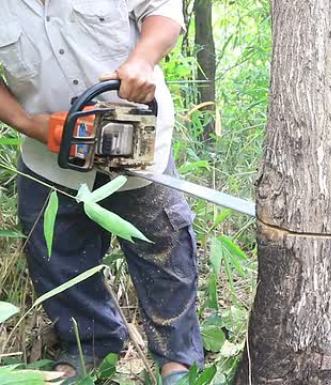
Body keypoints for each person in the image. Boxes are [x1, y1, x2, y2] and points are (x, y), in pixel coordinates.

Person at [0, 1, 204, 384]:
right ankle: (89, 346)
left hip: (134, 142)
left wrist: (143, 59)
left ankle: (178, 359)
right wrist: (29, 124)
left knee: (163, 248)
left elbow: (162, 8)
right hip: (50, 152)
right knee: (56, 255)